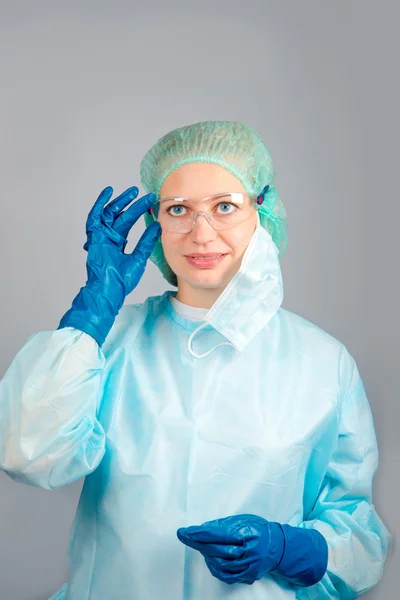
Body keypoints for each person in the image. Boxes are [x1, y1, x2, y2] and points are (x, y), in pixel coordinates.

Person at [0, 121, 391, 599]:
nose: (201, 232)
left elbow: (357, 531)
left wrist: (290, 547)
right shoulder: (106, 342)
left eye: (224, 206)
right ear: (155, 224)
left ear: (261, 212)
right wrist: (89, 315)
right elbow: (29, 456)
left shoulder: (322, 362)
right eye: (179, 209)